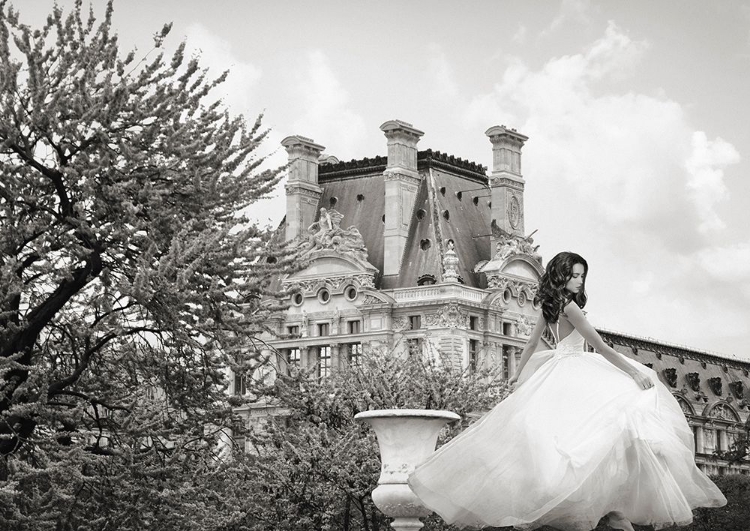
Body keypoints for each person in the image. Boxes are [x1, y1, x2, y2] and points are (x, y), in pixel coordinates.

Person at [408, 252, 726, 531]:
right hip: (575, 367)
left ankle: (604, 506)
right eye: (574, 275)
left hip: (557, 371)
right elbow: (600, 347)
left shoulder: (549, 306)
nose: (579, 281)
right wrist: (632, 371)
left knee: (569, 438)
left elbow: (532, 345)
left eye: (582, 276)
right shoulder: (570, 308)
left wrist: (515, 380)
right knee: (619, 419)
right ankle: (612, 504)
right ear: (562, 276)